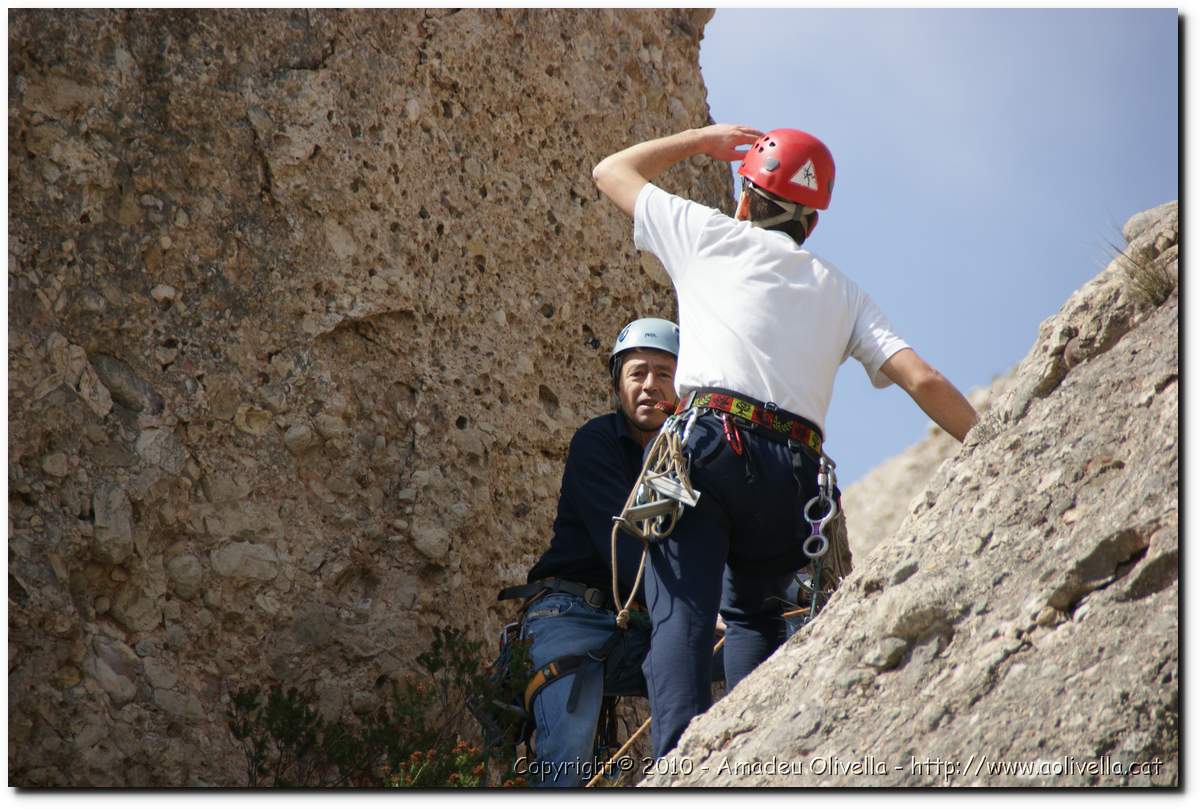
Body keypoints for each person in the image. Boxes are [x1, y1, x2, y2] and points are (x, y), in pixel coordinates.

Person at [592, 124, 980, 758]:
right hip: (793, 474)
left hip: (705, 441)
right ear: (812, 223)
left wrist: (702, 140)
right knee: (757, 618)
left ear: (746, 197)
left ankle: (675, 770)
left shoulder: (708, 234)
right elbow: (924, 379)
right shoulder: (845, 292)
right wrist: (997, 445)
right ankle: (749, 766)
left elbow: (611, 170)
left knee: (681, 613)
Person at [498, 317, 680, 787]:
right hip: (570, 616)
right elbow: (622, 544)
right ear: (617, 385)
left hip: (640, 622)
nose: (650, 386)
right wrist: (697, 610)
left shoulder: (679, 455)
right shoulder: (597, 443)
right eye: (637, 373)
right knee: (569, 757)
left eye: (664, 373)